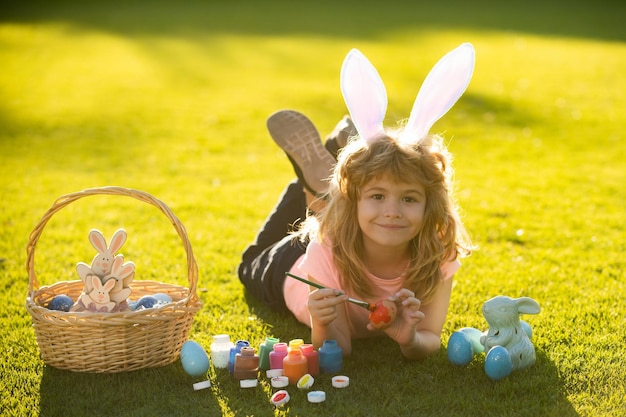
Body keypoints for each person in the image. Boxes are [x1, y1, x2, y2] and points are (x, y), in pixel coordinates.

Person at [238, 43, 476, 359]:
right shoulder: (324, 250)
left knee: (334, 214)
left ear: (430, 205)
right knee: (249, 262)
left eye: (409, 198)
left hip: (338, 231)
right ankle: (318, 179)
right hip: (288, 265)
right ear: (355, 201)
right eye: (378, 196)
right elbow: (338, 349)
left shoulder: (438, 250)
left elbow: (430, 337)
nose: (392, 212)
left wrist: (410, 340)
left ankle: (333, 167)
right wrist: (321, 322)